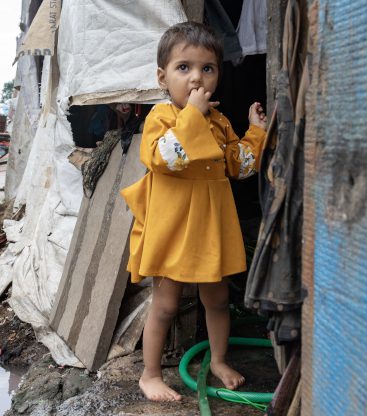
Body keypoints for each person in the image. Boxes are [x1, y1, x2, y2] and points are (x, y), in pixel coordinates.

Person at [120, 21, 267, 402]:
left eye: (208, 68)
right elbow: (165, 157)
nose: (196, 78)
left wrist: (256, 131)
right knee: (166, 305)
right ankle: (150, 375)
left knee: (217, 300)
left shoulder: (219, 122)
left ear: (218, 75)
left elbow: (241, 166)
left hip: (210, 229)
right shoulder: (162, 118)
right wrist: (193, 117)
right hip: (174, 231)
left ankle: (218, 359)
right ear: (162, 77)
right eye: (183, 68)